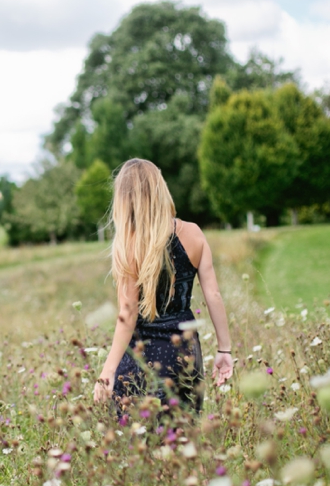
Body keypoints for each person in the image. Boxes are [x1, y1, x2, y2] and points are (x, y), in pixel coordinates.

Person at [92, 159, 233, 417]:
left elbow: (128, 313)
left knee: (138, 444)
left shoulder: (129, 244)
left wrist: (108, 371)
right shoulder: (194, 233)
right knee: (182, 439)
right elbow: (213, 295)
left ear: (124, 200)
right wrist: (224, 349)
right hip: (185, 352)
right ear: (161, 188)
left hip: (140, 356)